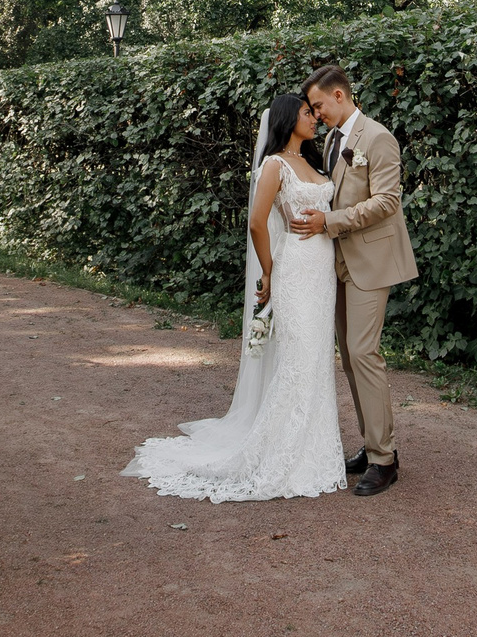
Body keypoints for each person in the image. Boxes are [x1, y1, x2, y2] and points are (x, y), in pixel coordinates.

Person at [123, 92, 348, 502]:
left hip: (322, 273)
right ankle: (278, 453)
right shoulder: (274, 166)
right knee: (298, 358)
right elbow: (257, 222)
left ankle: (314, 450)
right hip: (295, 270)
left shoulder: (314, 163)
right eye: (305, 113)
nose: (314, 118)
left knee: (317, 358)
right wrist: (268, 269)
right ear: (286, 119)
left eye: (313, 113)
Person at [292, 62, 417, 496]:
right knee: (349, 357)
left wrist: (331, 221)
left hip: (371, 260)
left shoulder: (378, 137)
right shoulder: (330, 140)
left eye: (319, 104)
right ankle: (371, 443)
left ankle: (385, 459)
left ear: (340, 96)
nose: (317, 112)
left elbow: (387, 201)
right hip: (337, 262)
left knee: (364, 352)